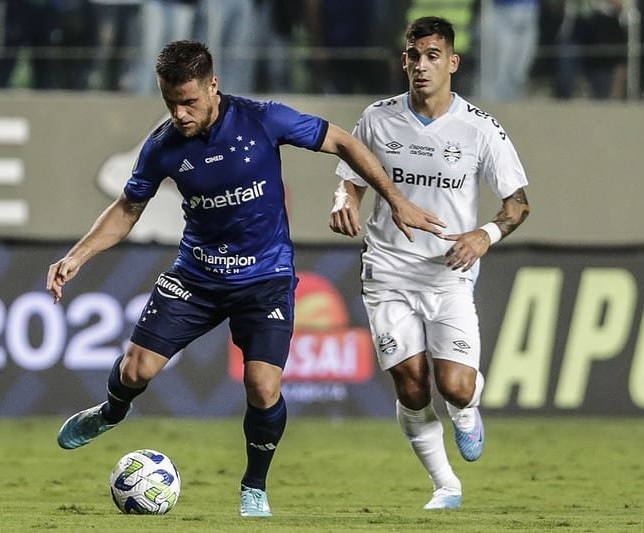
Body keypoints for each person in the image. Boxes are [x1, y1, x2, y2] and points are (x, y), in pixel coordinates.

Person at [47, 40, 443, 517]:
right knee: (135, 371)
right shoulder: (162, 146)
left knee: (262, 385)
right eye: (170, 103)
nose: (180, 114)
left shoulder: (262, 120)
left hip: (265, 278)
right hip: (196, 275)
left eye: (188, 101)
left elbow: (342, 141)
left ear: (213, 86)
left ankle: (254, 487)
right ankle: (111, 412)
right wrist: (78, 255)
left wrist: (395, 200)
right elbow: (128, 207)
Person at [328, 16, 530, 510]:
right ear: (404, 61)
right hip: (387, 271)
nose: (422, 66)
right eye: (414, 56)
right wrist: (344, 200)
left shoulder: (479, 128)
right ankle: (446, 486)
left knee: (455, 387)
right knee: (412, 386)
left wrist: (484, 235)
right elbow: (351, 178)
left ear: (452, 63)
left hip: (448, 274)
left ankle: (467, 405)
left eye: (433, 56)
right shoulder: (377, 118)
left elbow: (518, 204)